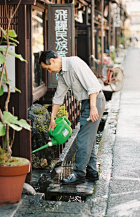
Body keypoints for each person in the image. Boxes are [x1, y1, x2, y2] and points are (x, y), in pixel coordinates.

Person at [39, 51, 106, 185]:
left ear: (52, 60)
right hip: (88, 102)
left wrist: (93, 107)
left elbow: (92, 86)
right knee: (89, 139)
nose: (49, 71)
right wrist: (52, 118)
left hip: (94, 100)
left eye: (48, 68)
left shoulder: (74, 63)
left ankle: (79, 174)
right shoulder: (62, 73)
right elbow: (59, 96)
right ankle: (92, 172)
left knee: (83, 139)